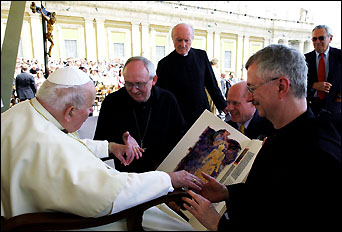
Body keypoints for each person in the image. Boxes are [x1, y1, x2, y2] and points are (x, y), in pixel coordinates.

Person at [1, 66, 204, 231]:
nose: (91, 112)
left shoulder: (25, 113)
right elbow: (110, 194)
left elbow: (66, 143)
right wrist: (168, 179)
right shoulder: (48, 144)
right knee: (177, 227)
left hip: (29, 213)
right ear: (70, 111)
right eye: (89, 109)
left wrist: (110, 148)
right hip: (65, 222)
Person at [181, 45, 341, 230]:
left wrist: (217, 224)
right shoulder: (285, 131)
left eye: (252, 88)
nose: (249, 98)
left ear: (281, 86)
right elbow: (270, 193)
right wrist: (227, 193)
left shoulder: (319, 154)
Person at [94, 56, 186, 172]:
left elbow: (181, 138)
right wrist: (120, 140)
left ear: (153, 80)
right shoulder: (112, 102)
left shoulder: (168, 100)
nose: (134, 90)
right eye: (128, 84)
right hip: (127, 176)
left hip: (162, 174)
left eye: (139, 84)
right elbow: (99, 143)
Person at [156, 23, 227, 131]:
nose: (183, 44)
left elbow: (212, 85)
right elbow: (162, 96)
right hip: (178, 119)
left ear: (192, 39)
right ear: (173, 40)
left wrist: (223, 106)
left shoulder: (201, 56)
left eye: (187, 40)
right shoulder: (164, 64)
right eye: (179, 40)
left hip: (202, 115)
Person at [305, 25, 341, 116]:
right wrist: (314, 85)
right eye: (314, 39)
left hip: (335, 107)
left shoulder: (339, 56)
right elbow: (297, 81)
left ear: (330, 38)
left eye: (321, 38)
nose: (317, 42)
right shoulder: (304, 59)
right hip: (310, 107)